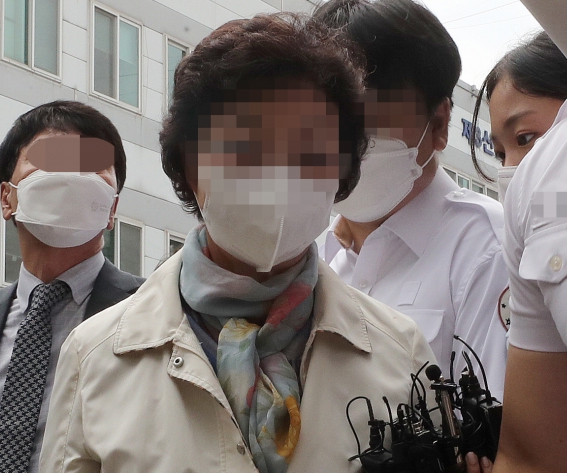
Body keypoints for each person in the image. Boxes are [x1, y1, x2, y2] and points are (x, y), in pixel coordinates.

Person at [39, 13, 438, 473]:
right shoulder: (95, 356)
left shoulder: (401, 353)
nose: (279, 173)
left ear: (342, 173)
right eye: (247, 147)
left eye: (309, 151)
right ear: (190, 165)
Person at [313, 0, 509, 402]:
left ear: (438, 123)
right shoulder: (313, 253)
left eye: (369, 119)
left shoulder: (487, 249)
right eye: (328, 122)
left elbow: (497, 429)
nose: (348, 144)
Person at [0, 101, 145, 473]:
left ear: (112, 209)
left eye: (91, 166)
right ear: (7, 198)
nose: (71, 178)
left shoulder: (158, 312)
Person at [471, 31, 567, 473]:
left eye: (527, 137)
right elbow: (531, 456)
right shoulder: (528, 224)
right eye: (500, 152)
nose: (513, 168)